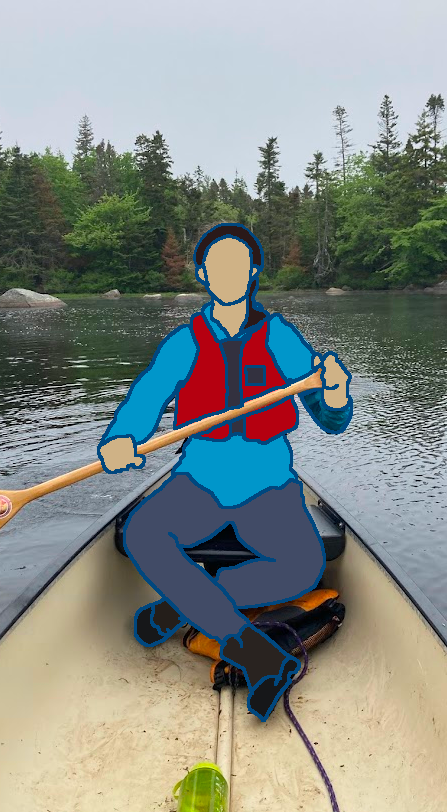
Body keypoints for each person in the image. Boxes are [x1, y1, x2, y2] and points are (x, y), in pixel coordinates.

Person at [98, 223, 353, 720]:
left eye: (239, 264)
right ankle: (257, 657)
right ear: (203, 274)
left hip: (269, 483)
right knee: (143, 534)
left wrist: (337, 393)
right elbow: (147, 396)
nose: (229, 273)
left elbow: (328, 416)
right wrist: (120, 438)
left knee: (303, 568)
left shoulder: (279, 336)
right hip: (201, 480)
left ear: (253, 272)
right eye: (218, 265)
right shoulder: (185, 341)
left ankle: (176, 608)